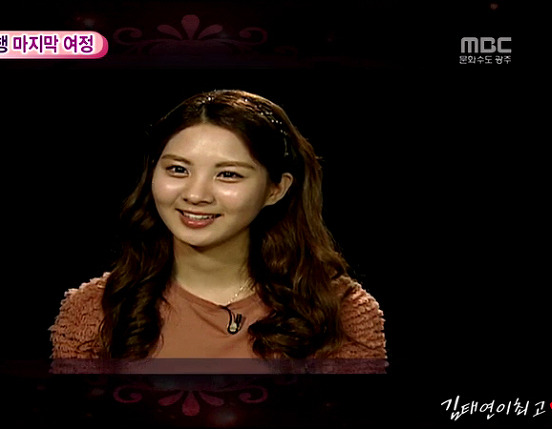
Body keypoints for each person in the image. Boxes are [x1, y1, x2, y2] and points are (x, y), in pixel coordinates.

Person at [50, 90, 386, 371]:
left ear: (276, 189)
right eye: (177, 169)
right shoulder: (94, 309)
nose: (196, 195)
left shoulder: (341, 310)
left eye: (228, 175)